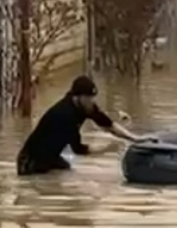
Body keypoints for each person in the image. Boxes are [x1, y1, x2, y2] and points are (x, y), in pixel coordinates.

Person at [16, 75, 144, 176]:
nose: (92, 101)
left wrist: (135, 138)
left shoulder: (85, 107)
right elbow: (79, 150)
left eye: (93, 97)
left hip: (51, 157)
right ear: (77, 97)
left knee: (66, 173)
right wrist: (107, 149)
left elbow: (108, 125)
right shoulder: (65, 115)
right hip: (29, 162)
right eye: (88, 98)